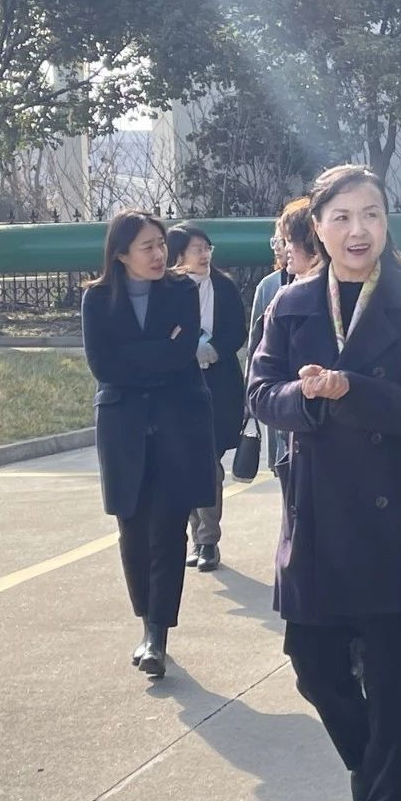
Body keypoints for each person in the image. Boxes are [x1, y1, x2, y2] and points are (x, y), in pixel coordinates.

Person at [248, 164, 401, 801]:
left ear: (386, 224)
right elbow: (260, 391)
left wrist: (349, 389)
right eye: (341, 217)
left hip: (391, 516)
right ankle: (371, 764)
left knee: (392, 691)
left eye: (371, 215)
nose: (357, 230)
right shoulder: (291, 304)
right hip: (315, 510)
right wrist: (305, 397)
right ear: (318, 228)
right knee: (313, 663)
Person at [80, 210, 217, 679]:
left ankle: (158, 633)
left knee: (168, 531)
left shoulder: (182, 290)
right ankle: (144, 621)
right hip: (123, 429)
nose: (159, 255)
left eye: (161, 244)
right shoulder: (97, 299)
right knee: (133, 531)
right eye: (148, 247)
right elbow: (103, 366)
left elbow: (181, 353)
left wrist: (139, 356)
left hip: (178, 426)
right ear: (121, 254)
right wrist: (159, 350)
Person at [166, 223, 247, 573]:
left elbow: (237, 331)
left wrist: (212, 350)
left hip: (218, 385)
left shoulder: (223, 286)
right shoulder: (166, 289)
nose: (204, 254)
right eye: (196, 249)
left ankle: (208, 540)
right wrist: (183, 349)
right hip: (178, 385)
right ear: (178, 254)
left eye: (207, 247)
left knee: (208, 463)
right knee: (184, 463)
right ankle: (196, 535)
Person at [247, 198, 321, 474]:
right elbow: (260, 366)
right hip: (287, 422)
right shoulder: (279, 292)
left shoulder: (325, 297)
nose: (284, 249)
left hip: (314, 434)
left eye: (290, 241)